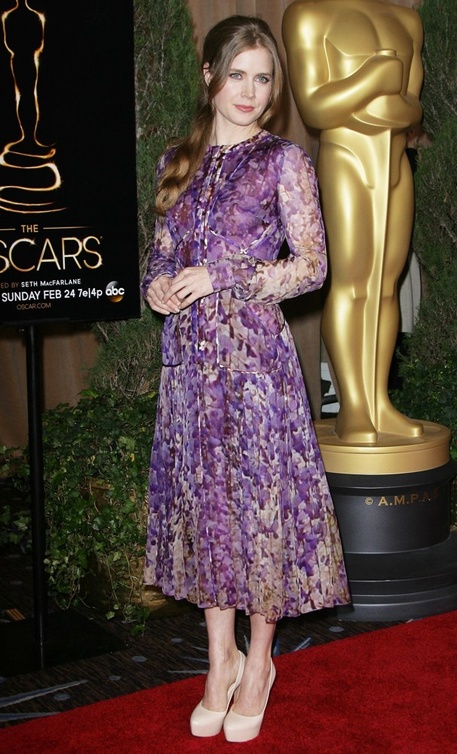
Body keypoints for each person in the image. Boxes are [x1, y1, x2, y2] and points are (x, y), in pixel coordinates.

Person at [142, 15, 350, 744]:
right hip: (190, 369)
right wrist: (158, 284)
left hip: (256, 365)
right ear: (209, 75)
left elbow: (312, 266)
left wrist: (224, 274)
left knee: (259, 513)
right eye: (237, 74)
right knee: (208, 511)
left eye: (263, 79)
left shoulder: (282, 161)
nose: (250, 91)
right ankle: (219, 661)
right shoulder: (176, 160)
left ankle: (259, 664)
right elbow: (160, 252)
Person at [282, 0, 425, 444]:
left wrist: (368, 105)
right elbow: (315, 107)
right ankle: (354, 406)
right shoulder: (309, 15)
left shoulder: (406, 20)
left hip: (395, 162)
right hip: (346, 159)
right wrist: (374, 80)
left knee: (386, 285)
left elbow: (413, 108)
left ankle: (378, 400)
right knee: (352, 282)